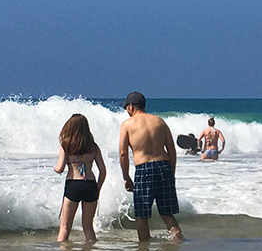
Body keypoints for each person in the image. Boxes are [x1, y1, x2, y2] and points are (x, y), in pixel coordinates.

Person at [118, 92, 183, 241]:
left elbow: (123, 154)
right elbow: (171, 151)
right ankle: (178, 244)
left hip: (144, 169)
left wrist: (126, 177)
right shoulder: (159, 121)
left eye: (126, 108)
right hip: (164, 167)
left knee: (142, 215)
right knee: (167, 213)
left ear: (131, 106)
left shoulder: (127, 124)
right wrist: (171, 173)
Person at [54, 114, 107, 243]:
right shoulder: (93, 147)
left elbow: (59, 168)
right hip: (90, 185)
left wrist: (55, 168)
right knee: (88, 227)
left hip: (73, 185)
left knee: (65, 227)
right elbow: (103, 171)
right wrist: (97, 188)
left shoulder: (66, 146)